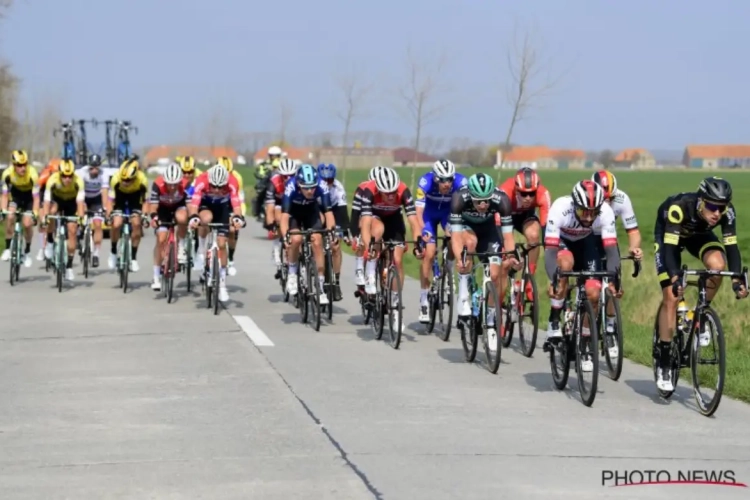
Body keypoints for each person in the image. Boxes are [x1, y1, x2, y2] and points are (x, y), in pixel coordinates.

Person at [653, 177, 748, 392]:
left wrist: (736, 280)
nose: (717, 213)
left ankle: (700, 315)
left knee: (718, 266)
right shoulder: (679, 207)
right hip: (669, 236)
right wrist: (675, 278)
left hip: (699, 235)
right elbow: (670, 250)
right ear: (700, 201)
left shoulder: (727, 213)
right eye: (712, 207)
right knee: (671, 295)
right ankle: (665, 362)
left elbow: (732, 248)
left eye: (721, 208)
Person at [543, 180, 621, 373]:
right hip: (562, 241)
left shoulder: (605, 212)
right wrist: (554, 280)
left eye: (593, 212)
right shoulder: (560, 208)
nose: (588, 217)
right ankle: (554, 317)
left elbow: (611, 252)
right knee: (565, 265)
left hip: (586, 243)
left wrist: (613, 281)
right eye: (583, 211)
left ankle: (585, 343)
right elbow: (550, 252)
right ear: (574, 205)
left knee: (594, 293)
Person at [450, 173, 520, 348]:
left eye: (486, 201)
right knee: (469, 245)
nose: (483, 205)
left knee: (495, 276)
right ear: (471, 196)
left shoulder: (502, 200)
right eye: (478, 201)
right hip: (466, 227)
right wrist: (460, 259)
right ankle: (464, 294)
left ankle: (490, 321)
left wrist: (511, 256)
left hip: (489, 231)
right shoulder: (459, 198)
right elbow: (456, 237)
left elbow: (508, 236)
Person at [359, 167, 424, 331]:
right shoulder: (369, 191)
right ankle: (370, 272)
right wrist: (368, 247)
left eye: (393, 193)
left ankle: (395, 305)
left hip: (394, 220)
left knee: (397, 259)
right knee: (377, 231)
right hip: (374, 217)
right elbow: (365, 224)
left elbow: (413, 221)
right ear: (379, 190)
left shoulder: (403, 191)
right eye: (386, 193)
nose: (390, 196)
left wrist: (418, 243)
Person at [590, 169, 643, 353]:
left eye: (609, 199)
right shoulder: (587, 195)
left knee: (614, 285)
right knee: (590, 285)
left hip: (609, 240)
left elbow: (633, 231)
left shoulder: (621, 199)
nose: (606, 203)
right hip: (587, 238)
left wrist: (634, 248)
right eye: (603, 199)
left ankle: (610, 328)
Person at [415, 159, 467, 322]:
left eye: (450, 179)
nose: (447, 183)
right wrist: (423, 231)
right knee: (429, 253)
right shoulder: (425, 182)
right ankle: (424, 299)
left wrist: (457, 228)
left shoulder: (461, 182)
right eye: (443, 180)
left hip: (448, 214)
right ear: (435, 178)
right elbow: (418, 212)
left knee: (453, 238)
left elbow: (465, 209)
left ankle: (449, 266)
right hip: (428, 215)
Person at [279, 164, 337, 305]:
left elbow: (329, 213)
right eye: (306, 188)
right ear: (299, 184)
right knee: (296, 239)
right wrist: (285, 236)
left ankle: (320, 287)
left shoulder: (321, 185)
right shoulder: (290, 187)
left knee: (317, 240)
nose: (310, 191)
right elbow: (284, 217)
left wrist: (331, 232)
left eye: (312, 187)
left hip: (311, 212)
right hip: (294, 213)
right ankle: (292, 273)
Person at [188, 165, 245, 302]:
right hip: (205, 205)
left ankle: (222, 285)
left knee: (222, 243)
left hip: (223, 207)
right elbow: (194, 204)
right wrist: (194, 217)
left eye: (221, 187)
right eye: (214, 186)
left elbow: (236, 205)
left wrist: (238, 218)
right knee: (205, 219)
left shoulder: (232, 182)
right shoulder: (201, 180)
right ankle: (200, 252)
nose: (217, 190)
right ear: (209, 181)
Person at [499, 167, 551, 302]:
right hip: (505, 217)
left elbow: (546, 228)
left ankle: (528, 280)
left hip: (525, 216)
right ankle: (498, 301)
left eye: (532, 194)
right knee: (504, 254)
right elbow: (498, 226)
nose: (528, 198)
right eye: (523, 194)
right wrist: (506, 250)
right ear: (516, 189)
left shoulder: (543, 194)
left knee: (534, 237)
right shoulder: (505, 192)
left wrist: (548, 248)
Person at [42, 159, 85, 281]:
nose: (67, 179)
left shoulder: (78, 181)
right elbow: (46, 201)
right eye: (64, 176)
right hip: (57, 201)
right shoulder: (52, 180)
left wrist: (81, 218)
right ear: (59, 174)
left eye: (70, 176)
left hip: (71, 203)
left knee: (72, 230)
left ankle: (69, 266)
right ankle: (50, 241)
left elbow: (80, 203)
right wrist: (45, 216)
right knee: (51, 213)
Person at [148, 163, 189, 290]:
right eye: (169, 184)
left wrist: (193, 218)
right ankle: (156, 276)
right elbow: (153, 206)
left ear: (180, 181)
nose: (171, 187)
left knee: (182, 218)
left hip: (179, 206)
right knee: (161, 239)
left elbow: (191, 205)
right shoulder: (157, 184)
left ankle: (181, 247)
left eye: (175, 184)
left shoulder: (186, 184)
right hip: (163, 209)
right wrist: (154, 217)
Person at [106, 157, 149, 272]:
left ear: (134, 177)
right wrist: (109, 215)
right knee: (116, 224)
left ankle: (133, 257)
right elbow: (110, 201)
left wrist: (144, 216)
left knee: (136, 224)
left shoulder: (142, 180)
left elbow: (145, 201)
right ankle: (113, 251)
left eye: (128, 180)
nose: (125, 182)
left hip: (135, 198)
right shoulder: (115, 179)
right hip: (120, 197)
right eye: (123, 179)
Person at [1, 150, 39, 266]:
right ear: (13, 165)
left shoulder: (33, 174)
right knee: (10, 216)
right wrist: (3, 211)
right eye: (19, 165)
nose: (23, 168)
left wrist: (35, 213)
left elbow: (36, 198)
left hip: (29, 198)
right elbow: (4, 195)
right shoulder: (7, 174)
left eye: (25, 164)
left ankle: (27, 251)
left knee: (27, 224)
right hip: (16, 196)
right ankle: (7, 248)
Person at [317, 163, 348, 301]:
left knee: (335, 245)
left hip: (334, 210)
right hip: (318, 209)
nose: (327, 183)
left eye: (330, 180)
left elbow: (342, 212)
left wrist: (344, 232)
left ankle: (336, 282)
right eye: (324, 180)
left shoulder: (338, 188)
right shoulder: (314, 186)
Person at [349, 166, 384, 288]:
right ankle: (359, 268)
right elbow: (355, 213)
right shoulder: (362, 189)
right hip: (364, 215)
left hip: (380, 216)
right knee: (363, 233)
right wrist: (355, 235)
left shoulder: (387, 191)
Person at [264, 158, 298, 277]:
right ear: (280, 175)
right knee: (279, 219)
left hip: (293, 203)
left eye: (291, 176)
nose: (288, 179)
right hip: (279, 203)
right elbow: (270, 208)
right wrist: (271, 225)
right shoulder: (274, 182)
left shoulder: (299, 181)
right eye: (285, 176)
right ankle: (276, 249)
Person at [77, 153, 111, 268]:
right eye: (92, 168)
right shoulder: (82, 172)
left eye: (96, 168)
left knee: (97, 225)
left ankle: (96, 253)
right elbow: (78, 191)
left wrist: (105, 209)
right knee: (80, 218)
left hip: (96, 199)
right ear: (88, 166)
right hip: (84, 197)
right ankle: (79, 235)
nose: (94, 170)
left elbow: (105, 192)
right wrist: (82, 206)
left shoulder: (104, 174)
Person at [216, 156, 245, 276]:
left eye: (229, 173)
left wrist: (240, 216)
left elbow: (240, 199)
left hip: (231, 203)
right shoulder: (212, 175)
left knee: (232, 230)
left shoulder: (237, 178)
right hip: (215, 203)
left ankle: (231, 259)